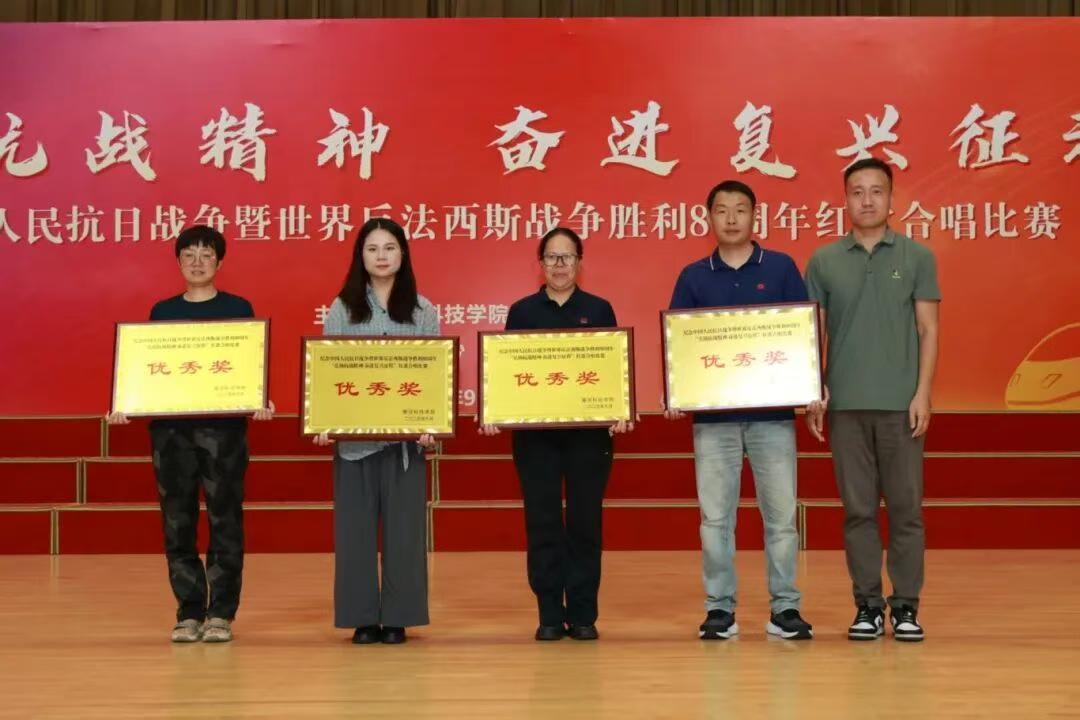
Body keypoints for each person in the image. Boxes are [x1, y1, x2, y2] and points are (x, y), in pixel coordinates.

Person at [107, 224, 275, 643]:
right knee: (177, 522)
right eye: (189, 254)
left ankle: (221, 613)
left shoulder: (237, 308)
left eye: (206, 254)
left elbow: (247, 364)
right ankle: (189, 611)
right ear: (178, 261)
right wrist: (126, 402)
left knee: (225, 519)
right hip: (171, 434)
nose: (198, 262)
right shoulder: (162, 312)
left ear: (220, 261)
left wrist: (259, 397)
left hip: (224, 432)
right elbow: (148, 371)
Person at [665, 180, 814, 641]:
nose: (731, 218)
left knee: (781, 519)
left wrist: (811, 385)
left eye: (740, 209)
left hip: (773, 417)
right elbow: (680, 348)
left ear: (755, 216)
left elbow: (802, 333)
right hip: (714, 422)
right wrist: (676, 391)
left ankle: (785, 608)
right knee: (715, 520)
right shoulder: (693, 277)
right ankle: (719, 609)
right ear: (708, 217)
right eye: (722, 210)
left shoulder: (782, 267)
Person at [804, 156, 941, 642]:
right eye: (857, 191)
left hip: (901, 406)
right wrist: (813, 391)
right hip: (845, 406)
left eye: (876, 191)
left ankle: (905, 606)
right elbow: (813, 334)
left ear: (891, 198)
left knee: (906, 509)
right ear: (845, 200)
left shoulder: (917, 256)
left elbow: (928, 329)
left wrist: (923, 392)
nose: (867, 200)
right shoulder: (823, 260)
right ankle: (867, 605)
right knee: (858, 510)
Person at [480, 227, 632, 642]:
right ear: (541, 263)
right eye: (552, 257)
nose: (560, 264)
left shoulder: (599, 309)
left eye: (567, 257)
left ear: (580, 262)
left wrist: (619, 408)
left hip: (589, 437)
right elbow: (508, 373)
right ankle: (549, 612)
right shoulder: (522, 312)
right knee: (543, 522)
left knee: (585, 523)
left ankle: (583, 614)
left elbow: (610, 370)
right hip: (537, 439)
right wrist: (496, 409)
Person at [315, 217, 439, 645]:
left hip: (407, 445)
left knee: (405, 536)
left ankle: (399, 616)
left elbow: (433, 377)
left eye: (389, 248)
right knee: (355, 534)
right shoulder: (341, 309)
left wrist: (431, 425)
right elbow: (329, 375)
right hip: (355, 445)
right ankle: (362, 617)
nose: (381, 256)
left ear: (403, 254)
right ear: (360, 256)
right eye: (372, 249)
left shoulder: (424, 310)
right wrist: (324, 420)